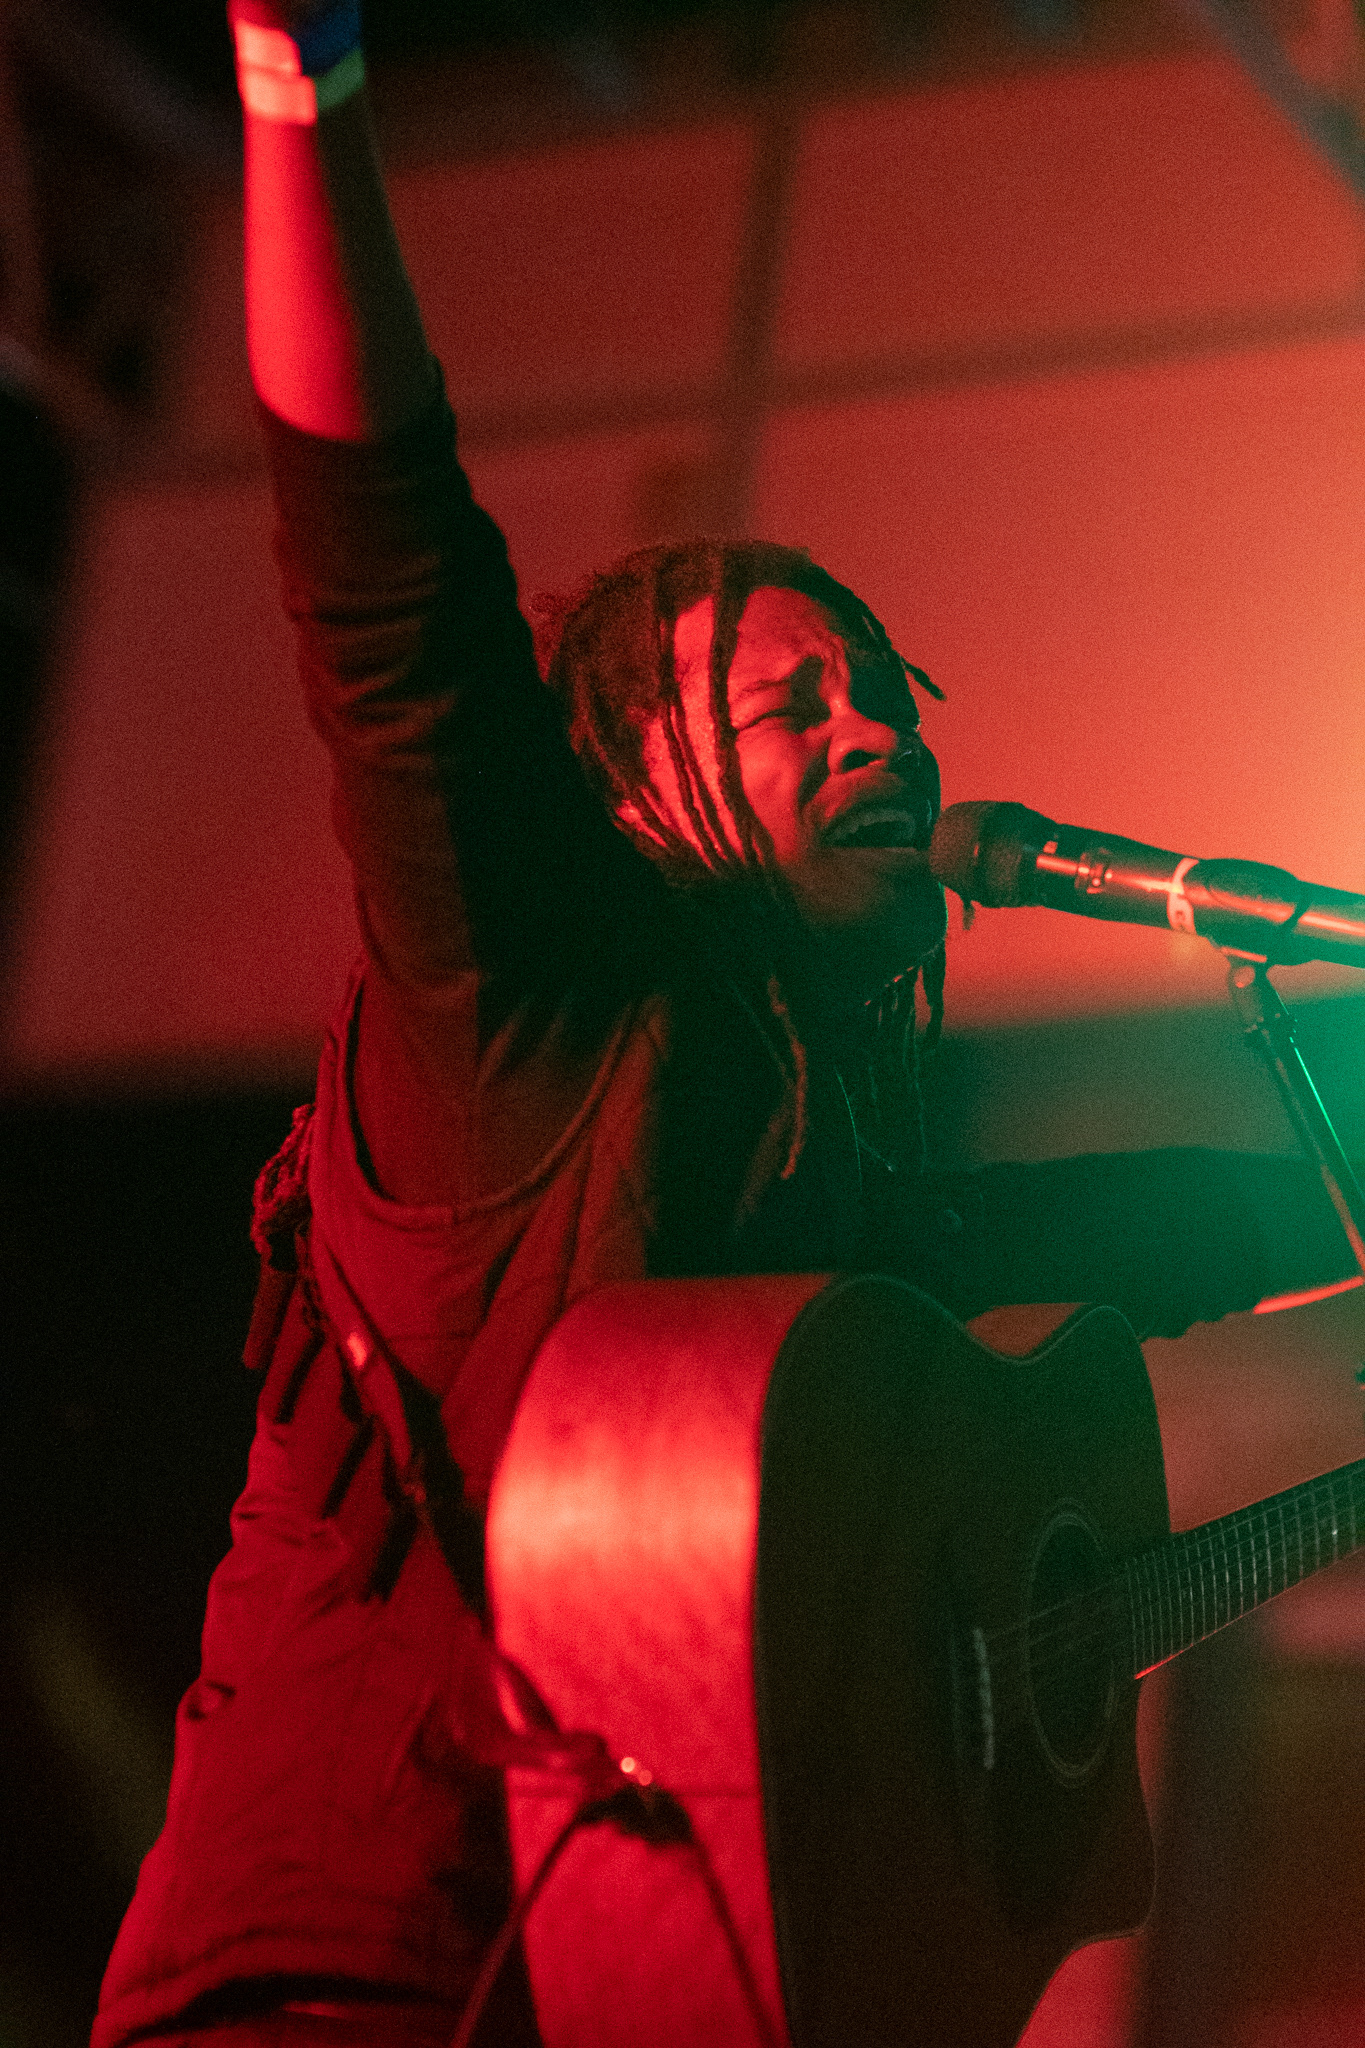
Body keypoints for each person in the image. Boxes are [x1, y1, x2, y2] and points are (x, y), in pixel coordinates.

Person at [92, 5, 1361, 2045]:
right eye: (793, 707)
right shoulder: (520, 1001)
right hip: (358, 1987)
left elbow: (1139, 1231)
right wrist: (297, 83)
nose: (874, 733)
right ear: (621, 790)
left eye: (881, 696)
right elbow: (384, 580)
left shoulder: (832, 1190)